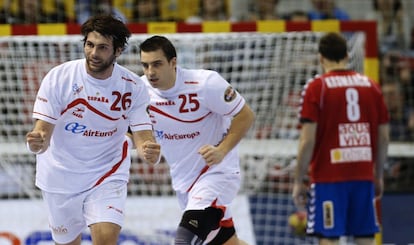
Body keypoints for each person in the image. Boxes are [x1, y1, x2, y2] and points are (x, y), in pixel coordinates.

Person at [25, 14, 160, 245]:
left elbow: (141, 132)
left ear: (118, 51)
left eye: (102, 48)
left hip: (107, 172)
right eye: (89, 45)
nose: (94, 53)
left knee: (106, 238)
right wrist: (37, 140)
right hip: (60, 175)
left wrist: (148, 148)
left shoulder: (132, 86)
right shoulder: (60, 77)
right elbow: (43, 131)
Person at [138, 35, 255, 245]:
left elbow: (246, 115)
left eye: (157, 64)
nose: (150, 72)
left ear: (173, 63)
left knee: (184, 240)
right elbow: (132, 127)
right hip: (184, 182)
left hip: (217, 174)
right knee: (226, 241)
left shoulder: (205, 83)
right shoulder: (140, 90)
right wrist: (143, 144)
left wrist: (222, 150)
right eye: (145, 65)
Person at [291, 32, 390, 245]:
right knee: (365, 238)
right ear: (347, 55)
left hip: (329, 179)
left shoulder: (317, 87)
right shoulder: (371, 86)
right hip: (363, 175)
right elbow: (383, 138)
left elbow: (307, 141)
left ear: (320, 58)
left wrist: (299, 180)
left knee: (329, 239)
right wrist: (378, 174)